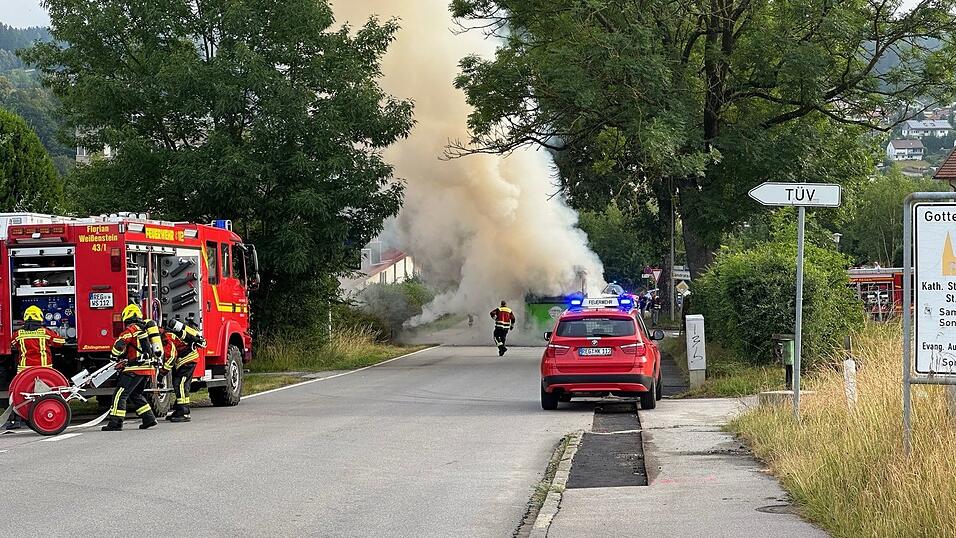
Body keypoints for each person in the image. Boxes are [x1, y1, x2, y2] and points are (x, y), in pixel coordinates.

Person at [101, 304, 164, 431]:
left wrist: (114, 355)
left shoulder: (132, 329)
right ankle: (149, 419)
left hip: (135, 369)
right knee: (135, 394)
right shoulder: (145, 329)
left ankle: (116, 423)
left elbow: (120, 344)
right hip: (148, 368)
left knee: (120, 394)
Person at [2, 306, 66, 429]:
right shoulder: (45, 332)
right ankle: (48, 412)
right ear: (40, 318)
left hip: (24, 371)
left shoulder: (18, 334)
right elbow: (60, 342)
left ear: (25, 318)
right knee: (47, 393)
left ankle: (15, 420)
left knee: (18, 394)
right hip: (43, 369)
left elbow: (12, 344)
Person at [160, 319, 205, 423]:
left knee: (180, 384)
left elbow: (171, 357)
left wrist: (162, 373)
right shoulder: (167, 334)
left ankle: (184, 412)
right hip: (185, 360)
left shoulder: (166, 338)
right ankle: (178, 410)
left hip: (187, 360)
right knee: (179, 385)